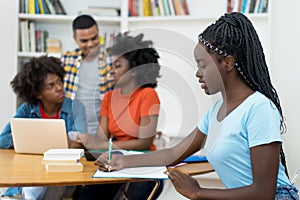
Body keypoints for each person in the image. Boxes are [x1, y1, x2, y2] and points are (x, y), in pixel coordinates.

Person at [95, 12, 299, 199]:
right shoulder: (216, 113)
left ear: (227, 63)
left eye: (202, 65)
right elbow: (173, 154)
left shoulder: (259, 108)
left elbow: (263, 193)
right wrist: (122, 161)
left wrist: (198, 192)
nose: (197, 73)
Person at [73, 32, 163, 200]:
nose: (111, 71)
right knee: (83, 196)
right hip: (116, 161)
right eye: (111, 66)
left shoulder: (147, 94)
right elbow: (102, 139)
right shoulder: (109, 97)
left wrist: (106, 145)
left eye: (117, 66)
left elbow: (144, 142)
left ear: (134, 71)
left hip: (143, 164)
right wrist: (87, 142)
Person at [0, 55, 86, 199]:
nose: (59, 88)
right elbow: (3, 140)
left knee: (53, 179)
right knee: (34, 177)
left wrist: (72, 143)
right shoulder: (27, 109)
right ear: (38, 93)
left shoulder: (75, 108)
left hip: (62, 174)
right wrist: (27, 140)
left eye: (59, 81)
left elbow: (83, 142)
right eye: (50, 86)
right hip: (31, 171)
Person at [61, 14, 113, 137]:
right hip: (72, 131)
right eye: (84, 41)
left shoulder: (111, 59)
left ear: (98, 32)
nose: (90, 44)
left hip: (103, 133)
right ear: (75, 38)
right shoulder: (67, 59)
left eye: (94, 38)